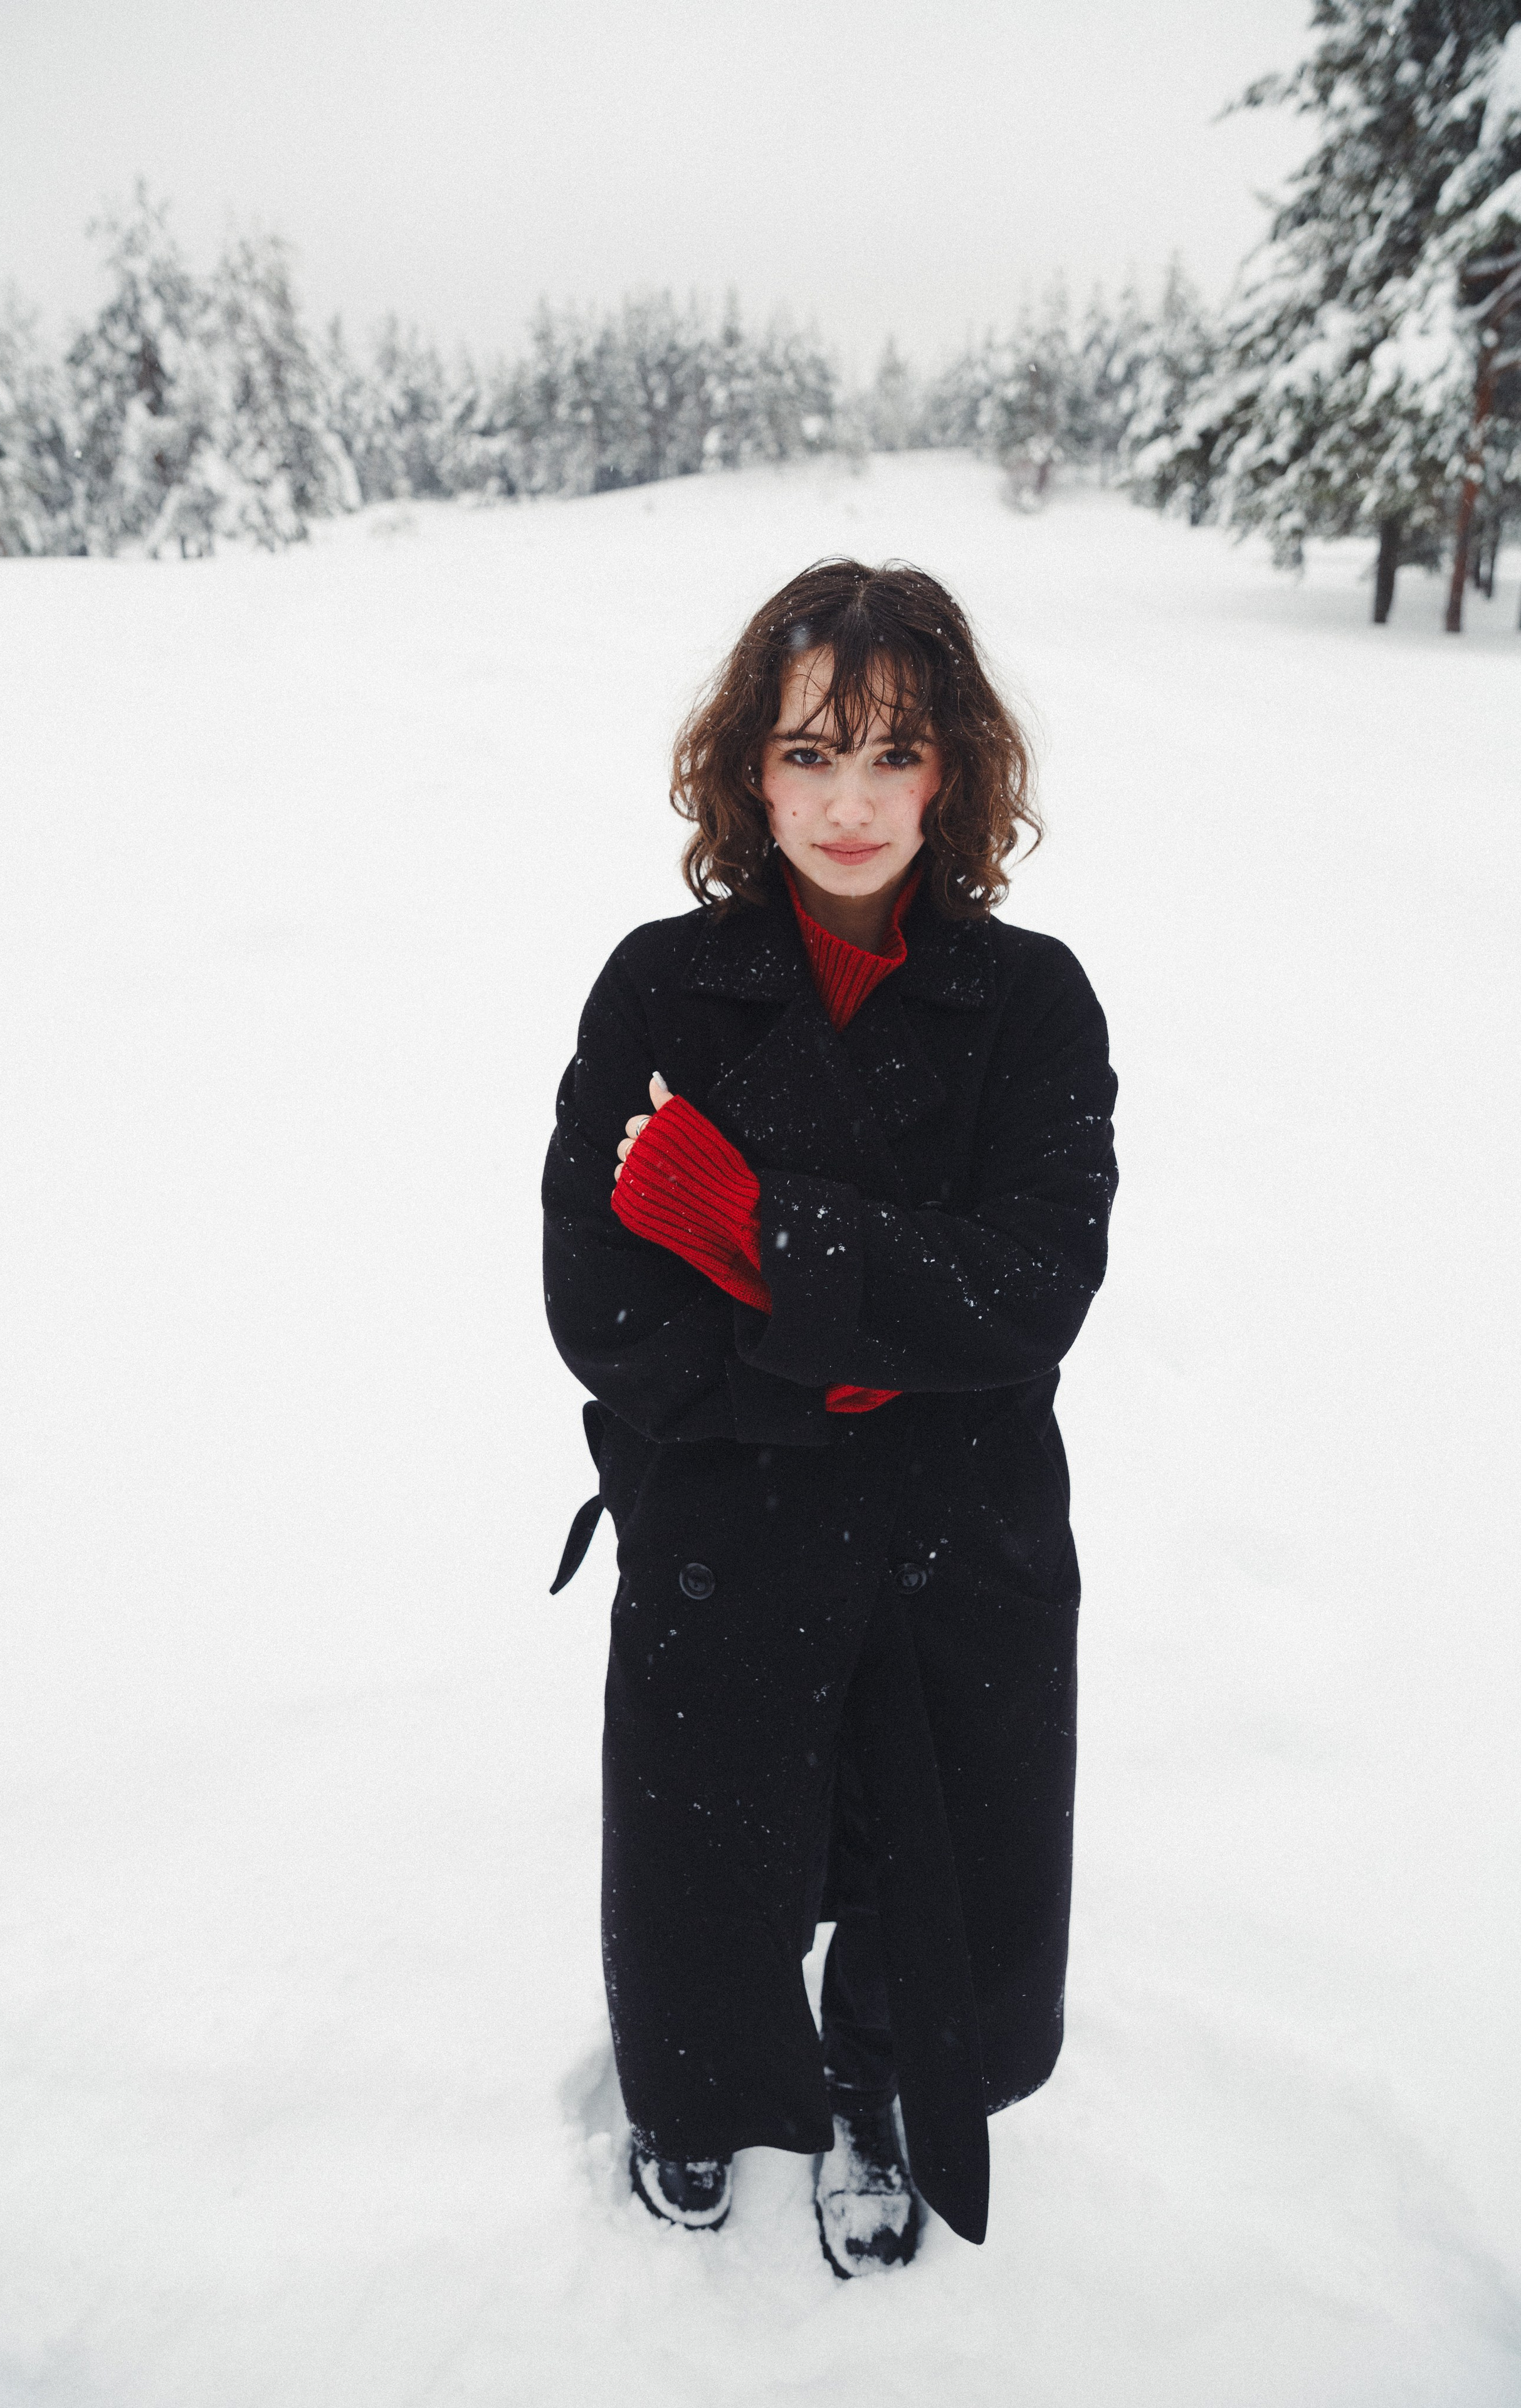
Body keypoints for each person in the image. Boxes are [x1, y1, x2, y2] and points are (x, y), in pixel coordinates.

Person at [542, 559, 1117, 2277]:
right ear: (747, 772)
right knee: (708, 1844)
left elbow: (1035, 1284)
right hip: (728, 1519)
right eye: (809, 752)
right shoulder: (658, 988)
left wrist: (747, 1229)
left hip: (966, 1533)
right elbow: (605, 1304)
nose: (850, 800)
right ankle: (700, 2094)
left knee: (942, 1849)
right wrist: (863, 1341)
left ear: (952, 771)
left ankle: (880, 2077)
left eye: (892, 751)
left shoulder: (1035, 1002)